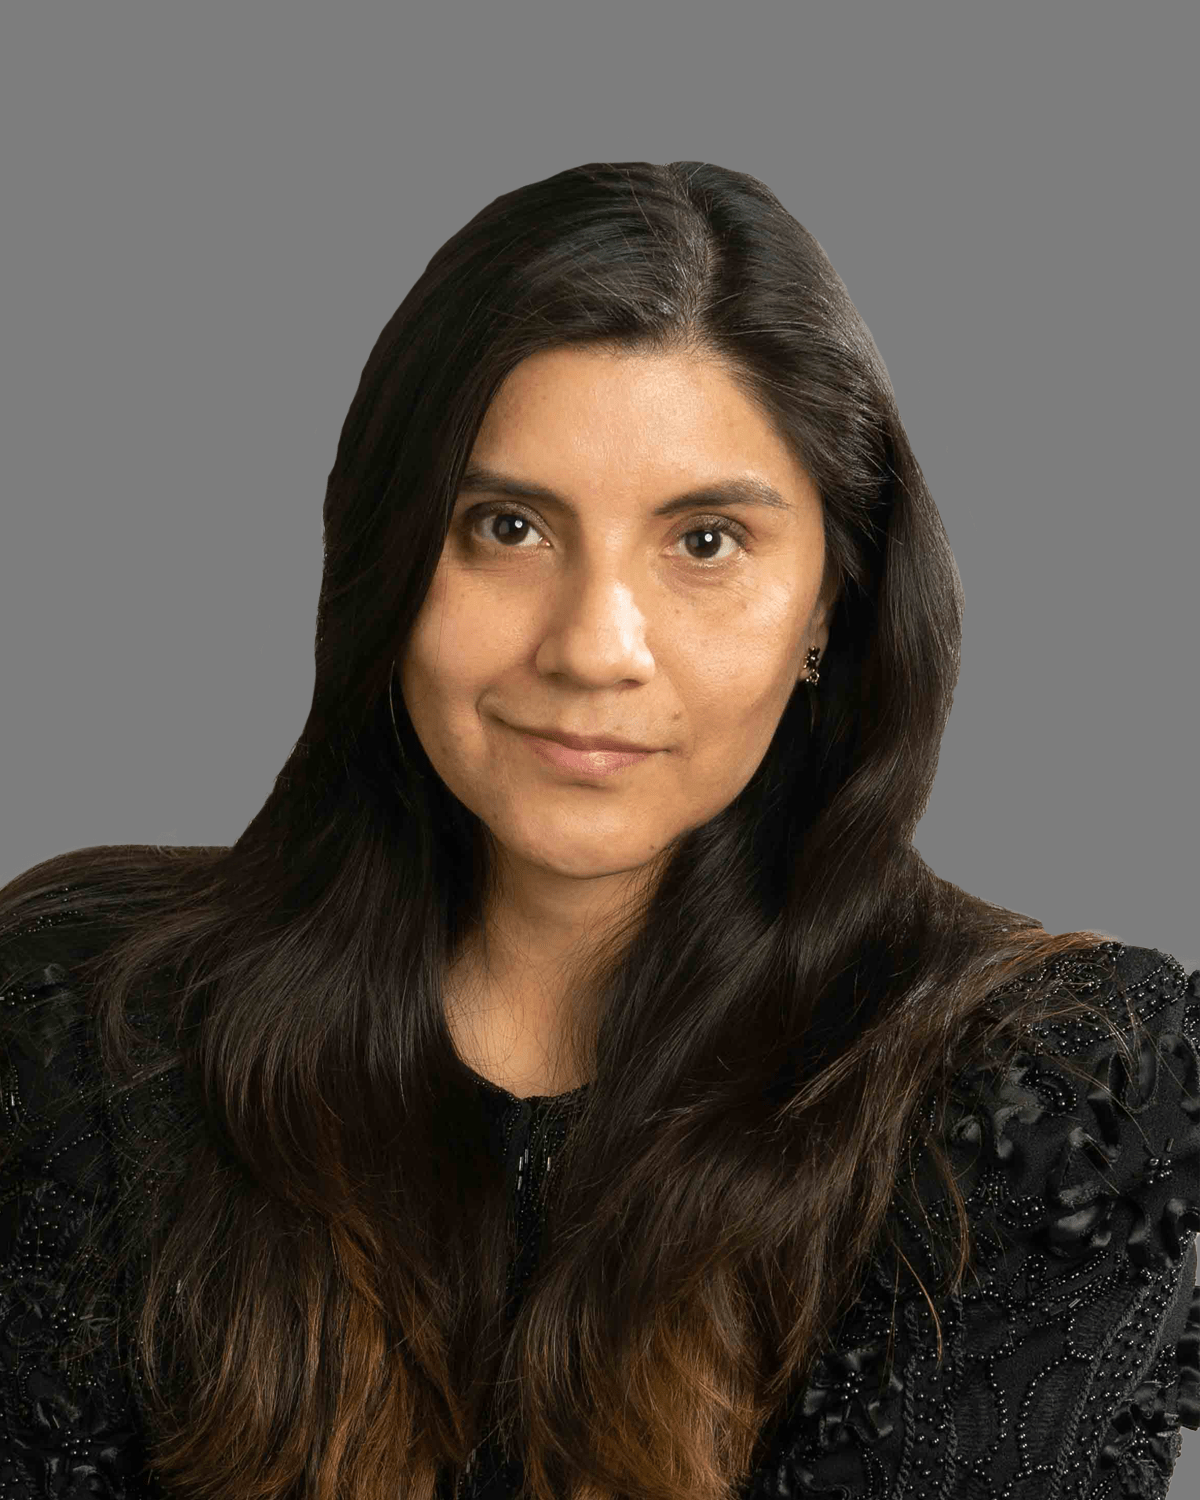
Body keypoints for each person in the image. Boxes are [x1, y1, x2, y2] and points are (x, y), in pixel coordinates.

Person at [1, 159, 1196, 1500]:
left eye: (706, 543)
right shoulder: (86, 1018)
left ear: (830, 602)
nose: (592, 648)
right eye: (506, 527)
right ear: (387, 559)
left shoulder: (1046, 1084)